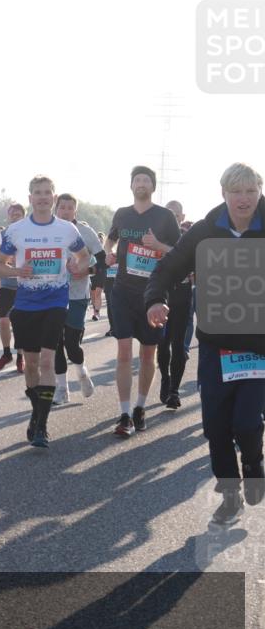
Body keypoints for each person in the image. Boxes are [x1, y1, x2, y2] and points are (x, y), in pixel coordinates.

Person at [146, 162, 265, 527]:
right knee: (216, 426)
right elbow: (168, 268)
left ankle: (254, 465)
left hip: (259, 347)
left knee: (246, 422)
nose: (244, 199)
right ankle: (230, 497)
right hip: (216, 346)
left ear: (259, 191)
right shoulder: (205, 231)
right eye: (236, 191)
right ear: (223, 193)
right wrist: (155, 298)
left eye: (251, 190)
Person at [0, 175, 89, 448]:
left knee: (48, 361)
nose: (43, 197)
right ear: (30, 198)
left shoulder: (67, 230)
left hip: (56, 301)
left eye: (48, 192)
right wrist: (15, 271)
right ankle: (36, 414)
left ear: (54, 197)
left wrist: (76, 267)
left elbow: (85, 257)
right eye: (38, 192)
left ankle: (42, 427)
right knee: (32, 365)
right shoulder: (16, 231)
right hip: (25, 304)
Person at [105, 165, 181, 437]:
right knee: (123, 352)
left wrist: (157, 246)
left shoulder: (164, 217)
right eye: (136, 179)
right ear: (131, 185)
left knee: (148, 354)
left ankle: (140, 406)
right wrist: (109, 254)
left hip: (153, 295)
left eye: (145, 180)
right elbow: (110, 240)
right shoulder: (122, 214)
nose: (141, 183)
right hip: (122, 292)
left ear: (152, 186)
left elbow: (179, 253)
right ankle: (124, 413)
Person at [52, 193, 104, 404]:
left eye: (69, 207)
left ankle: (82, 372)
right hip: (52, 293)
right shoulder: (48, 229)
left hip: (77, 294)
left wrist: (87, 270)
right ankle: (62, 389)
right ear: (56, 209)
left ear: (75, 211)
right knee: (56, 342)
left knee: (72, 343)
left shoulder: (84, 231)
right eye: (61, 207)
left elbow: (102, 262)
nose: (65, 211)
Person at [156, 200, 193, 409]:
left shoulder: (190, 232)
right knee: (163, 342)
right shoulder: (157, 233)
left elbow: (189, 257)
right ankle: (165, 377)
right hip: (163, 291)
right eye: (169, 212)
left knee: (179, 344)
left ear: (181, 215)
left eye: (176, 213)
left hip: (183, 292)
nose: (172, 215)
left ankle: (174, 391)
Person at [0, 202, 26, 373]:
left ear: (23, 216)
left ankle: (20, 356)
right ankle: (7, 353)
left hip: (23, 285)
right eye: (12, 213)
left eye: (18, 213)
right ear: (8, 216)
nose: (15, 215)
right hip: (7, 284)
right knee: (4, 321)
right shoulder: (2, 234)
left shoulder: (28, 233)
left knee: (19, 323)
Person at [102, 229, 120, 337]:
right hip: (109, 283)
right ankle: (113, 328)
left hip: (122, 283)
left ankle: (119, 327)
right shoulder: (107, 253)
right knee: (110, 305)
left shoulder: (125, 252)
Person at [91, 230, 107, 320]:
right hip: (92, 272)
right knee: (92, 293)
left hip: (102, 272)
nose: (100, 240)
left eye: (101, 239)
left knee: (98, 292)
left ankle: (97, 313)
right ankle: (94, 310)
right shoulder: (92, 248)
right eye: (98, 239)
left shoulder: (105, 249)